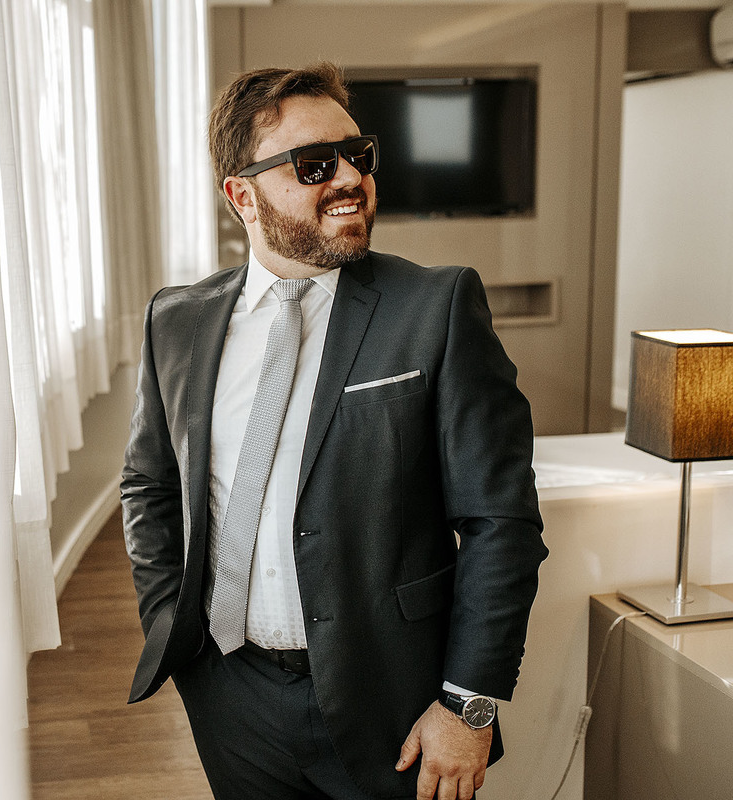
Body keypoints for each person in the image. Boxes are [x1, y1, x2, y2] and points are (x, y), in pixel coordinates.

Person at [120, 62, 548, 800]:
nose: (350, 177)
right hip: (230, 694)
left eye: (358, 155)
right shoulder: (177, 321)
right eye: (315, 164)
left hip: (395, 702)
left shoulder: (437, 308)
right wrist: (171, 622)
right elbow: (148, 484)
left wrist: (468, 706)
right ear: (242, 196)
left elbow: (500, 523)